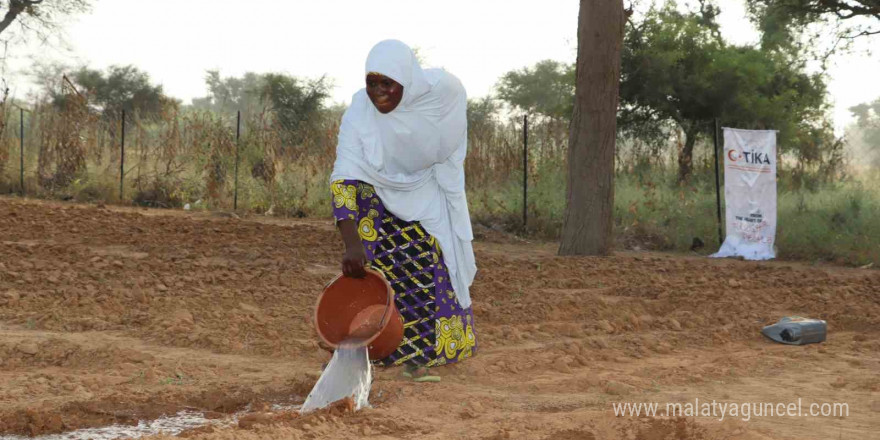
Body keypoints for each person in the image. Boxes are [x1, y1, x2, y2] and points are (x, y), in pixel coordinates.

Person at [329, 40, 477, 373]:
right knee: (379, 266)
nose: (378, 92)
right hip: (378, 202)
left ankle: (434, 352)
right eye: (371, 83)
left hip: (428, 195)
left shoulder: (440, 98)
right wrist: (352, 245)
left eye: (387, 83)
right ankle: (379, 348)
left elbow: (446, 142)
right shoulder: (358, 114)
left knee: (427, 260)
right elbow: (343, 177)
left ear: (407, 83)